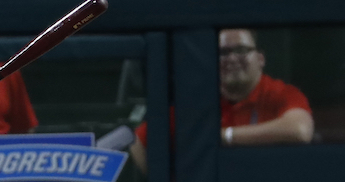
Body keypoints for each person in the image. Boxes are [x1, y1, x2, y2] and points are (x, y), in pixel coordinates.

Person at [129, 27, 314, 172]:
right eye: (223, 53)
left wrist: (224, 136)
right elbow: (139, 142)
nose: (232, 58)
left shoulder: (280, 93)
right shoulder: (198, 100)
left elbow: (299, 130)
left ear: (260, 59)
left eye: (241, 50)